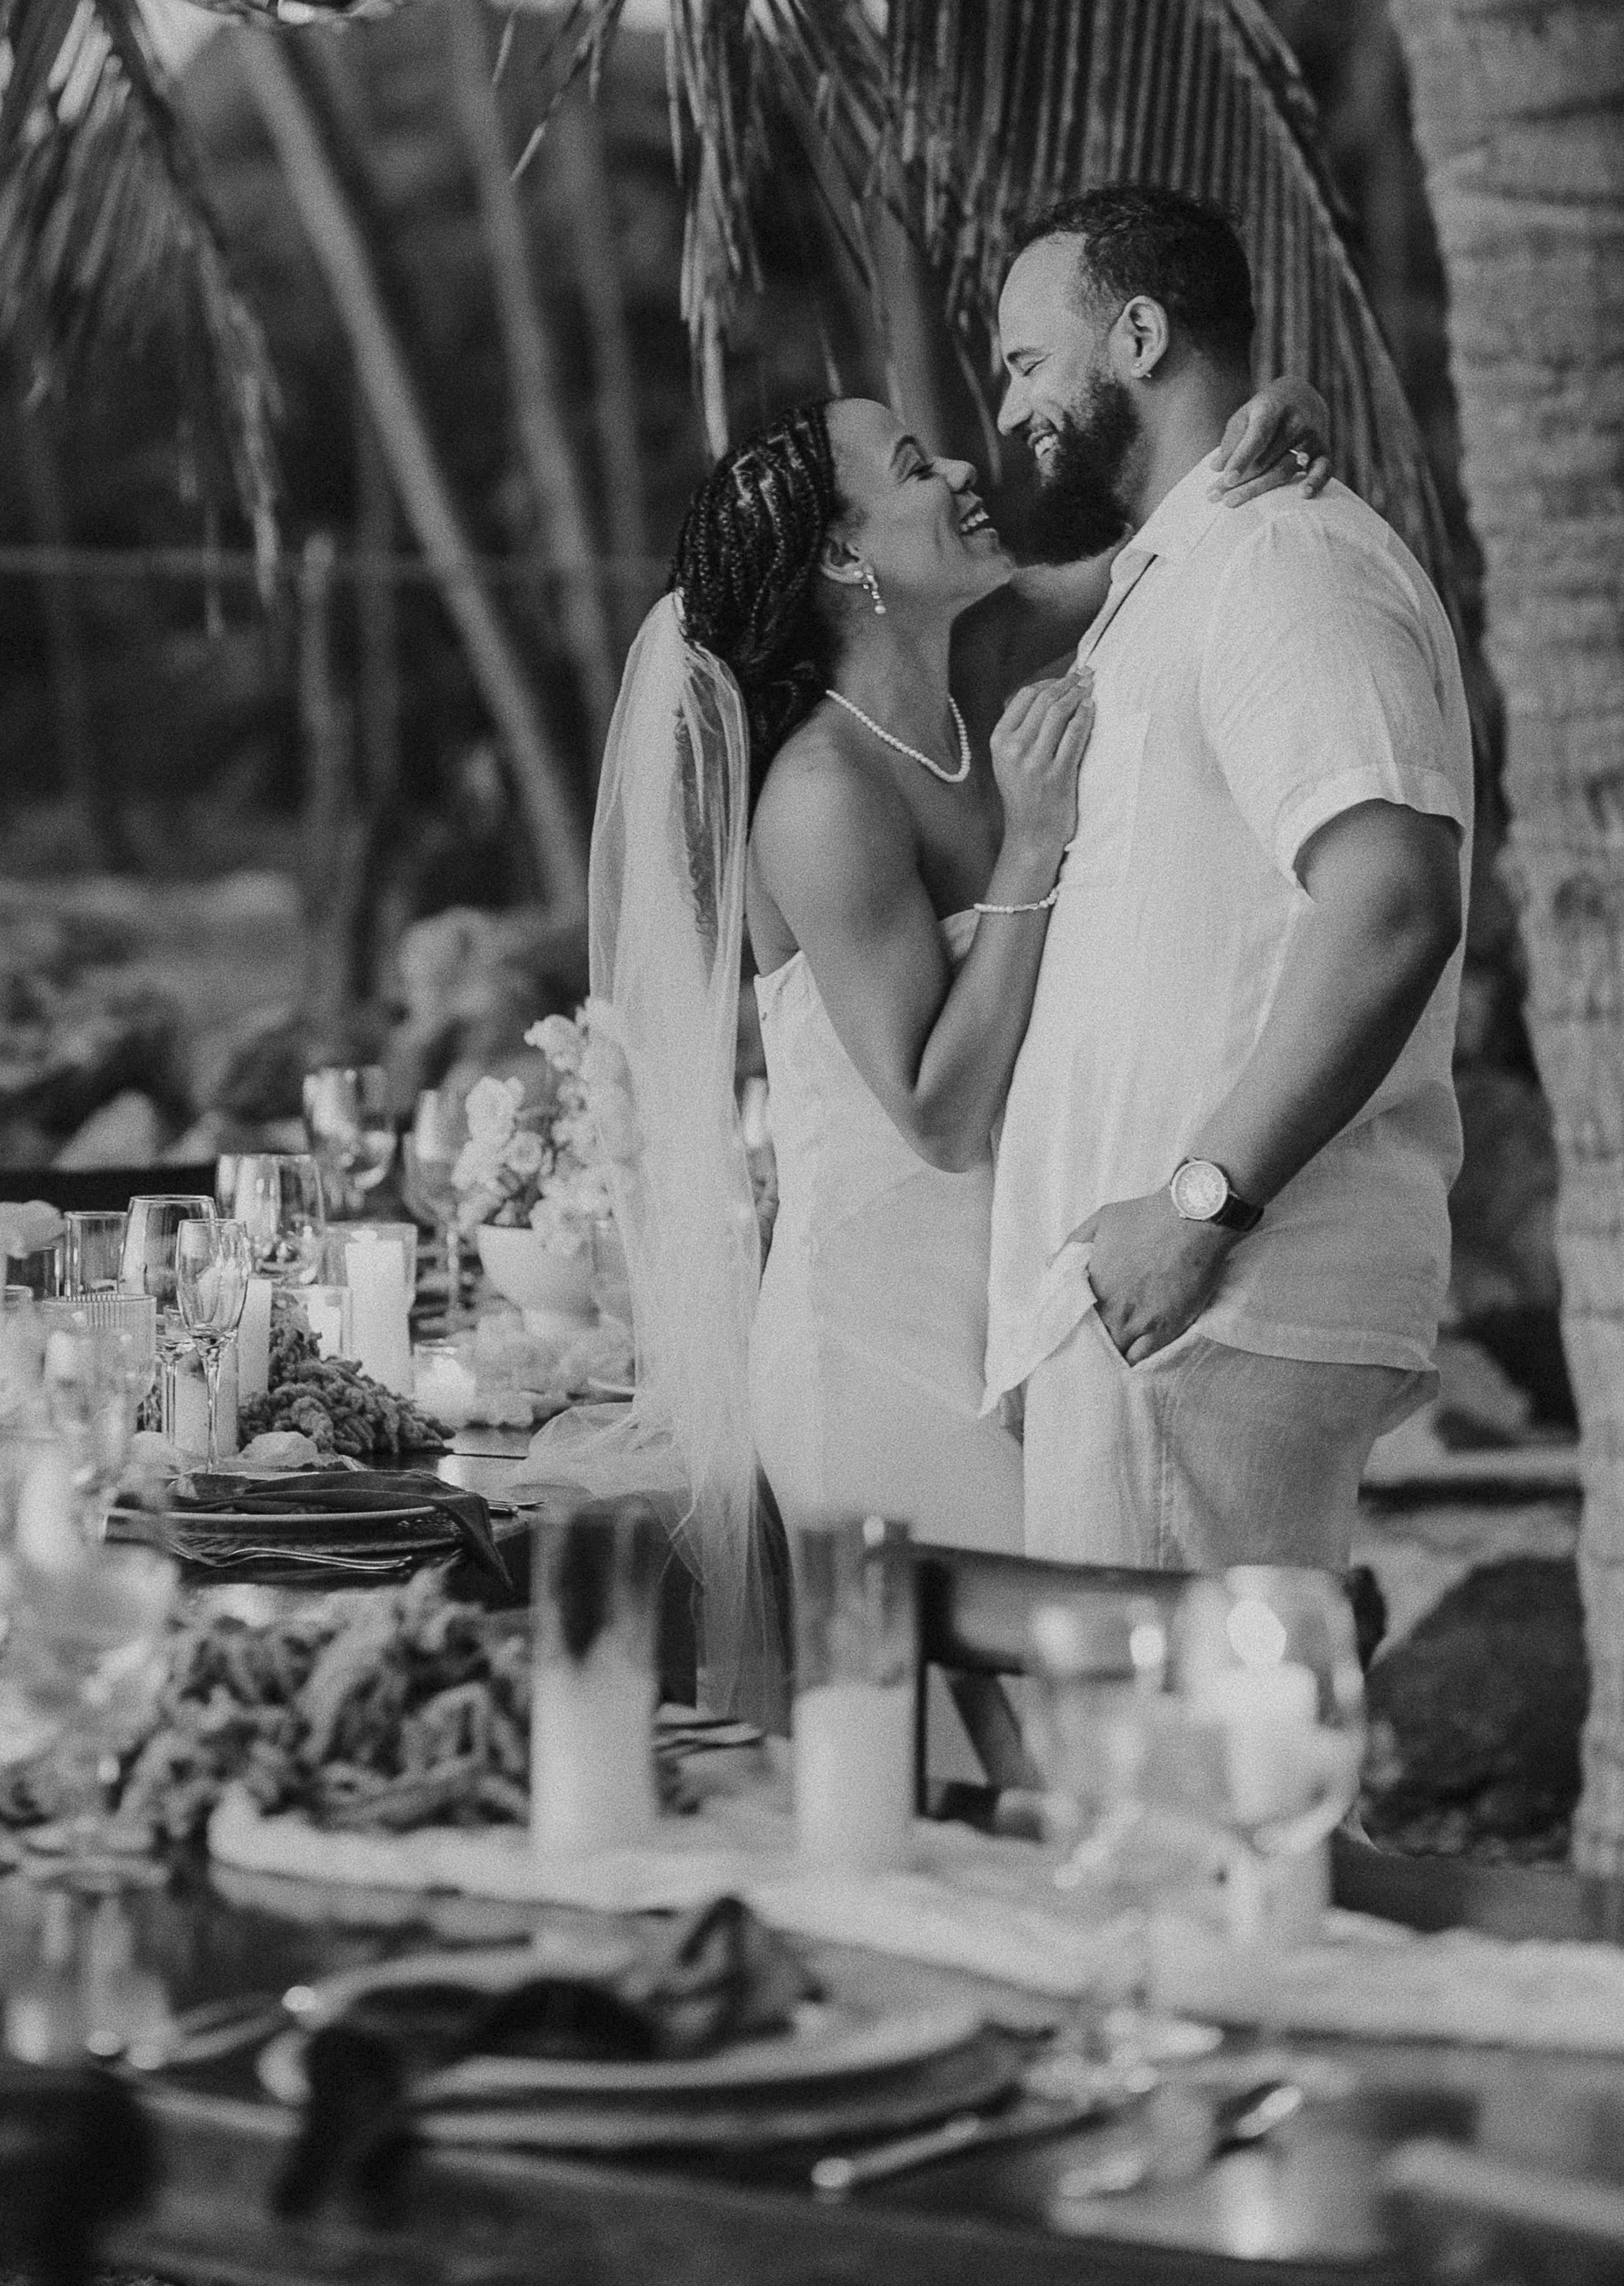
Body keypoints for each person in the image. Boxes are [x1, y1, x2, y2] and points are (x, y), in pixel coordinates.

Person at [560, 359, 1332, 1712]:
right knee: (1006, 1765)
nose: (965, 468)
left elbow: (1161, 557)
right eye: (914, 466)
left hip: (1001, 1311)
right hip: (877, 1347)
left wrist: (1254, 442)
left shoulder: (978, 663)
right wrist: (1036, 841)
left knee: (1062, 1749)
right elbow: (938, 1111)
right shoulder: (820, 792)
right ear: (847, 561)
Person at [990, 184, 1471, 1572]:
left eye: (1028, 361)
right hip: (1155, 1310)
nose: (1010, 411)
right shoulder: (1183, 572)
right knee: (1203, 1782)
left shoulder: (1282, 558)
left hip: (1211, 1293)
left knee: (1181, 1785)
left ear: (1138, 332)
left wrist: (1195, 1209)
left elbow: (1392, 903)